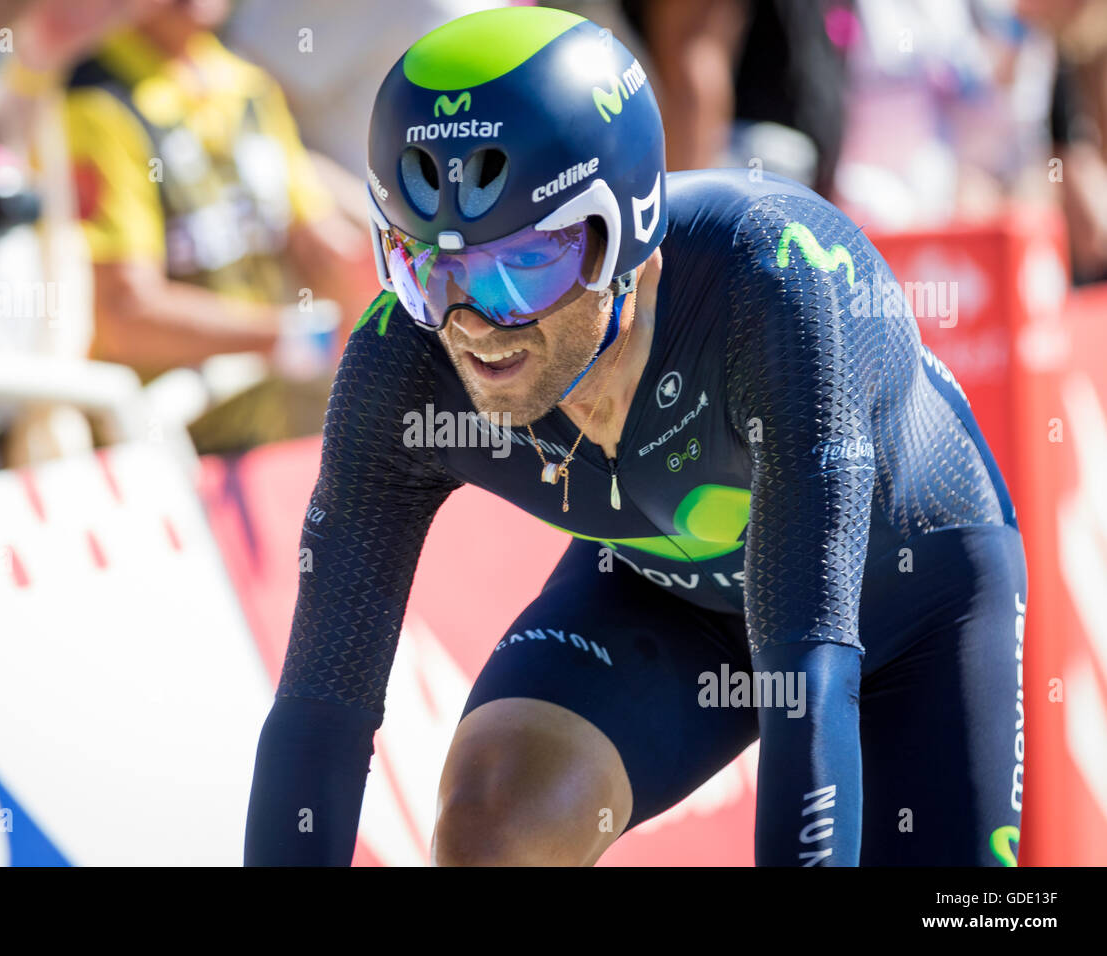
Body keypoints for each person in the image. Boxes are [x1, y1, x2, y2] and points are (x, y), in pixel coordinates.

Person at [245, 7, 1028, 866]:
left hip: (911, 593)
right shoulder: (403, 360)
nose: (473, 324)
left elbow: (810, 683)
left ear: (628, 234)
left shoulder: (773, 293)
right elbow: (321, 706)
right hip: (669, 595)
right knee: (497, 825)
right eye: (427, 265)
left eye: (524, 266)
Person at [63, 0, 378, 453]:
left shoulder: (247, 85)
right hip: (150, 454)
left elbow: (321, 246)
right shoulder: (94, 101)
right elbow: (123, 314)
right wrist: (293, 338)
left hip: (261, 435)